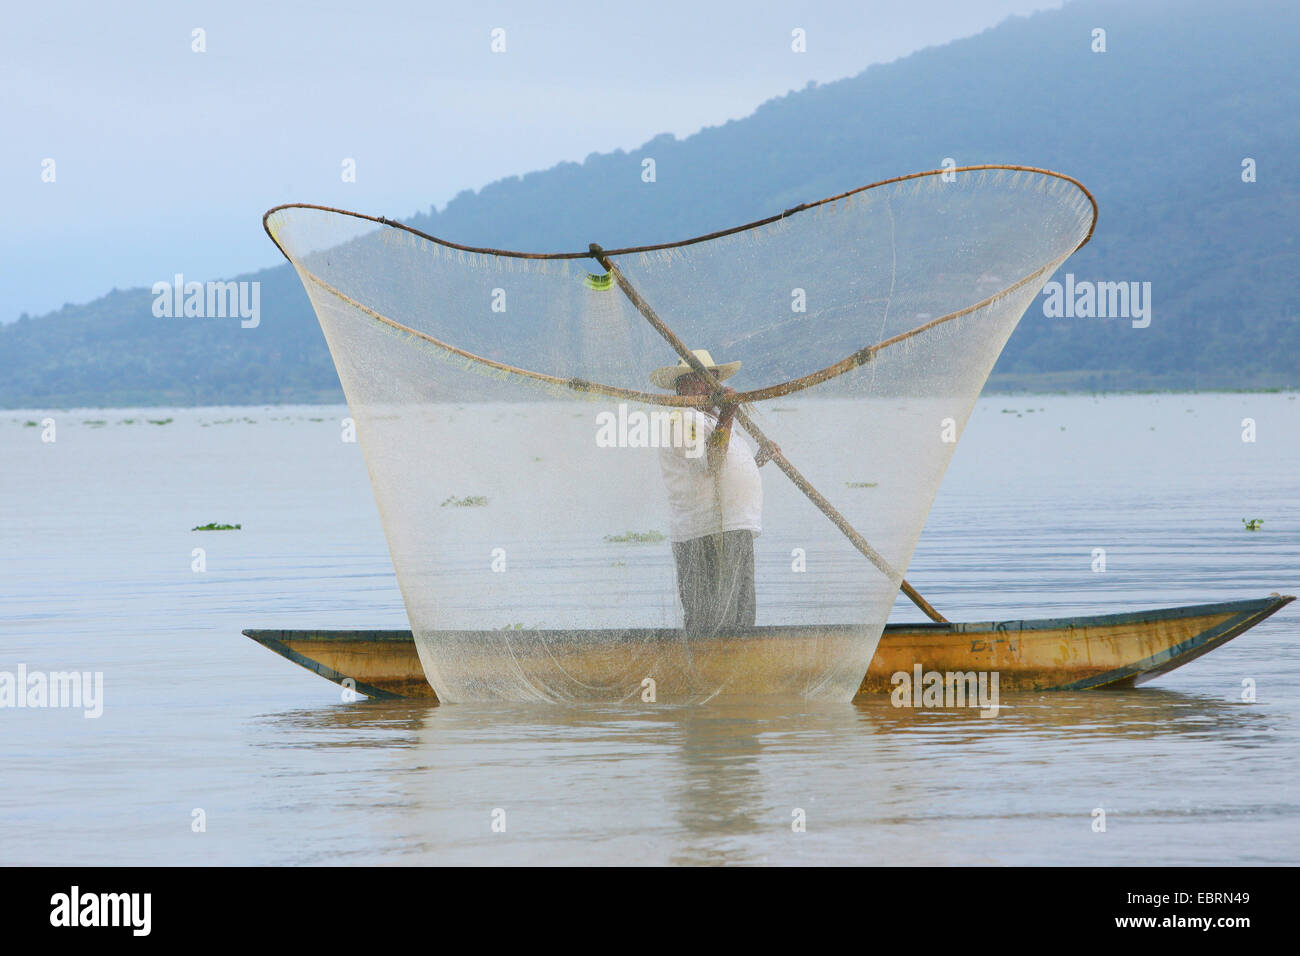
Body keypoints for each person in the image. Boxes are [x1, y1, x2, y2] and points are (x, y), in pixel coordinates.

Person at [651, 350, 777, 636]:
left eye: (713, 379)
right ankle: (707, 674)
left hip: (734, 526)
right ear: (681, 386)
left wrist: (758, 459)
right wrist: (729, 414)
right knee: (709, 621)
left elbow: (725, 470)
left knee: (740, 618)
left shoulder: (712, 420)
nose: (710, 386)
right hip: (705, 532)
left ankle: (735, 674)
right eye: (700, 380)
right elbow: (713, 461)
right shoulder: (682, 420)